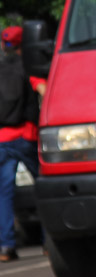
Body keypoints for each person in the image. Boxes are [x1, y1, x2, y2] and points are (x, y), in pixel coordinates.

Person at [0, 26, 41, 262]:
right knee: (43, 186)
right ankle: (51, 241)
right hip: (27, 135)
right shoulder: (28, 66)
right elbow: (42, 90)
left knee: (4, 194)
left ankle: (6, 246)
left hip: (2, 139)